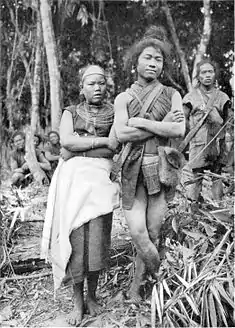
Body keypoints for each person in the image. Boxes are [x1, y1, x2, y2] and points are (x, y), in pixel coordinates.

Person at [41, 65, 119, 326]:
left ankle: (93, 296)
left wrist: (78, 149)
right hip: (73, 183)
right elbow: (65, 142)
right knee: (76, 240)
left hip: (100, 182)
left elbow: (114, 148)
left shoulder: (114, 112)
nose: (97, 88)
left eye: (101, 83)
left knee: (97, 240)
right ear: (81, 88)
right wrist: (100, 142)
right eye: (91, 84)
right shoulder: (70, 112)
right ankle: (77, 300)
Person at [111, 27, 185, 303]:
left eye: (159, 60)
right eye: (148, 58)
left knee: (153, 231)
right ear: (136, 62)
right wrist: (161, 124)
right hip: (131, 169)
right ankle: (165, 277)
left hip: (161, 169)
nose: (154, 63)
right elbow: (121, 133)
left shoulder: (172, 94)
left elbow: (178, 130)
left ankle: (137, 289)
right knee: (138, 233)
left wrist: (141, 122)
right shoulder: (123, 98)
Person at [183, 59, 231, 202]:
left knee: (217, 176)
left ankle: (219, 210)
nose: (208, 75)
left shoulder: (223, 97)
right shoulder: (190, 97)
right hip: (198, 144)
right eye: (204, 72)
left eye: (210, 71)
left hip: (217, 143)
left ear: (215, 74)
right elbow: (182, 120)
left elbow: (228, 121)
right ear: (198, 76)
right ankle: (193, 211)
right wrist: (191, 131)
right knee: (197, 176)